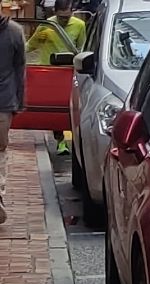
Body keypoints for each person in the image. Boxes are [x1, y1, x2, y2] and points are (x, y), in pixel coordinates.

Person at [25, 0, 81, 152]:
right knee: (53, 106)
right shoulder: (47, 25)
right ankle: (61, 141)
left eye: (67, 17)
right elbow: (30, 46)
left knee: (70, 109)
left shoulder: (79, 25)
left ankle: (76, 143)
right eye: (61, 17)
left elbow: (82, 48)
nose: (64, 20)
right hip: (50, 71)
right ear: (55, 12)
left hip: (69, 72)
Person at [0, 0, 24, 225]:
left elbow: (20, 68)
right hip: (6, 101)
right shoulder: (15, 32)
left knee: (0, 148)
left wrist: (19, 99)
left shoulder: (15, 32)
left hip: (5, 101)